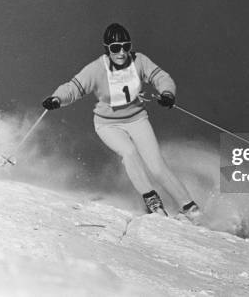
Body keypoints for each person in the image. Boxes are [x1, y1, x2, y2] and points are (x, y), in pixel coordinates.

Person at [42, 23, 200, 220]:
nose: (122, 52)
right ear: (107, 49)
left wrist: (167, 93)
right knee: (129, 152)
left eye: (126, 46)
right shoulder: (96, 69)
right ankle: (152, 200)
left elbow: (161, 77)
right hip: (107, 125)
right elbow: (74, 87)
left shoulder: (139, 61)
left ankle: (189, 207)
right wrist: (57, 99)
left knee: (156, 165)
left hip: (137, 119)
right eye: (115, 48)